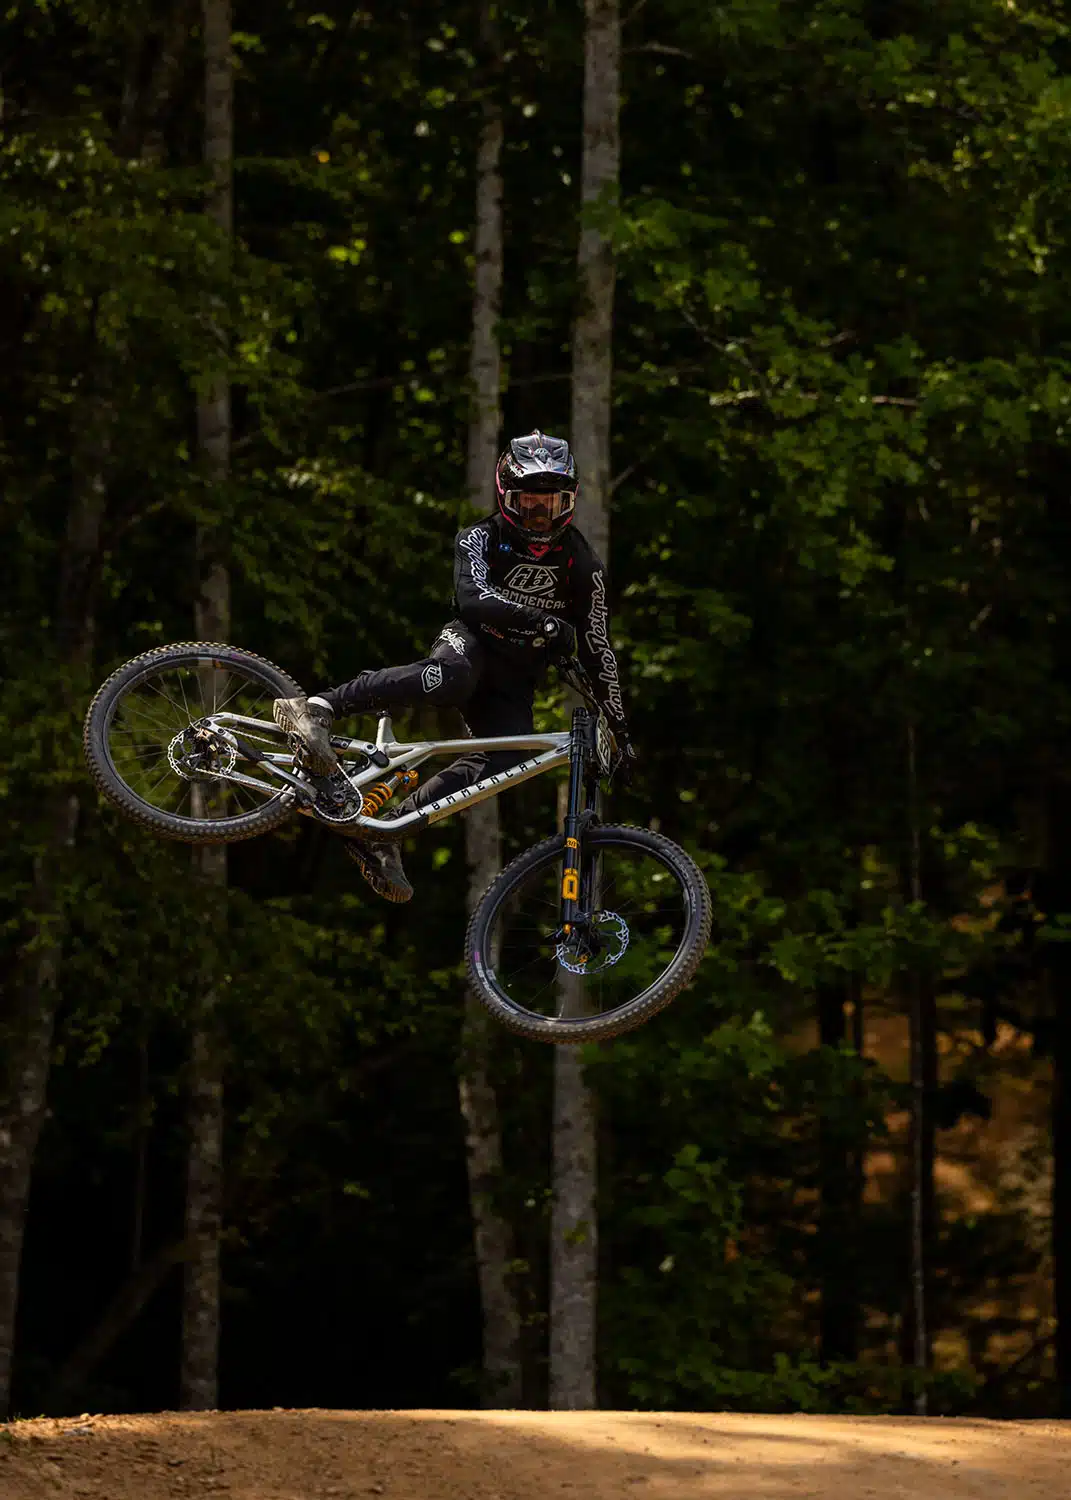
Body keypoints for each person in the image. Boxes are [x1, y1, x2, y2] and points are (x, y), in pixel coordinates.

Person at [274, 431, 634, 902]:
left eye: (551, 502)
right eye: (529, 503)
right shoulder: (479, 537)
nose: (541, 514)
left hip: (516, 678)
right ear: (506, 497)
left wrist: (621, 731)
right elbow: (473, 600)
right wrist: (545, 623)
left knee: (512, 758)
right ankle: (318, 707)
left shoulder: (583, 564)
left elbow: (599, 649)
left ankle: (384, 831)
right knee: (450, 677)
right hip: (470, 644)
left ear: (570, 501)